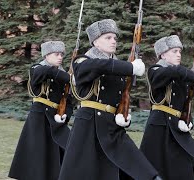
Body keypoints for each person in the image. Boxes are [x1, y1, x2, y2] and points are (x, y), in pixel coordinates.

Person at [58, 19, 161, 180]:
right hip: (89, 125)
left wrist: (124, 114)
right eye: (108, 38)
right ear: (95, 42)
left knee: (141, 171)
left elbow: (121, 96)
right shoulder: (82, 60)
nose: (113, 41)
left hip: (113, 128)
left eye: (115, 38)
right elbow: (97, 67)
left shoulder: (117, 65)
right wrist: (130, 67)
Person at [140, 35, 194, 180]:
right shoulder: (155, 70)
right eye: (174, 51)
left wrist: (187, 118)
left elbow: (185, 102)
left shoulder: (180, 75)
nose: (179, 54)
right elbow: (174, 72)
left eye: (180, 51)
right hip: (159, 126)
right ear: (163, 54)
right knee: (153, 166)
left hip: (176, 125)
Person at [9, 40, 73, 180]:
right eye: (56, 54)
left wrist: (65, 115)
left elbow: (68, 101)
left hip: (56, 120)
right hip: (39, 118)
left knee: (68, 148)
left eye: (62, 54)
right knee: (38, 154)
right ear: (46, 56)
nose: (60, 57)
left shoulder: (62, 75)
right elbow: (44, 71)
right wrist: (68, 77)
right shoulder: (38, 69)